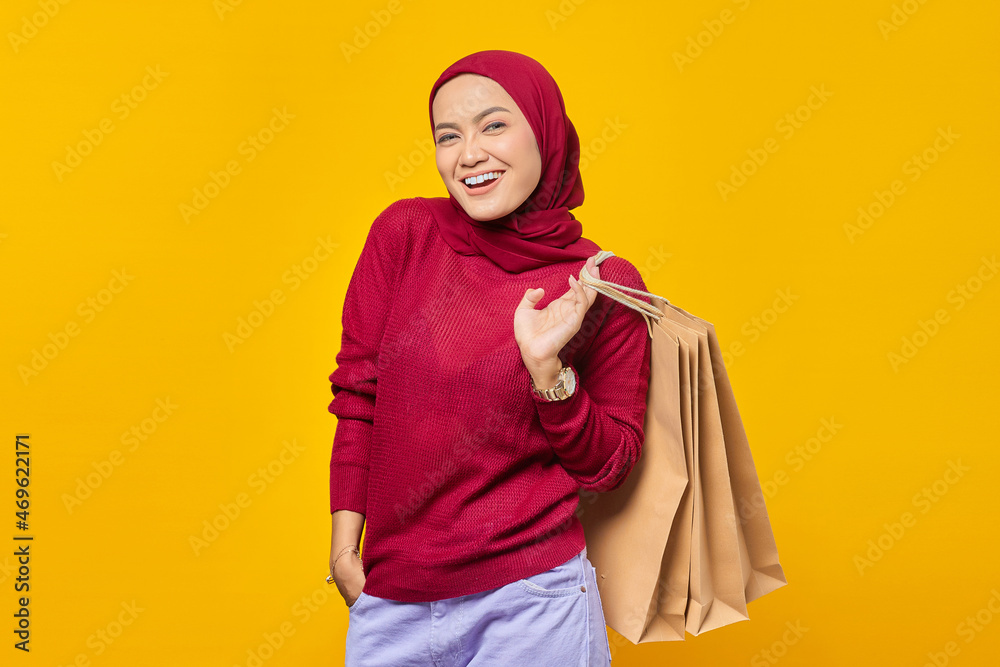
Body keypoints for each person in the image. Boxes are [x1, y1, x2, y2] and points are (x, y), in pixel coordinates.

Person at [327, 49, 652, 666]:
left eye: (493, 125)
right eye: (447, 135)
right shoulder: (404, 235)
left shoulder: (602, 283)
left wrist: (549, 373)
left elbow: (611, 466)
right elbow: (358, 399)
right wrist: (346, 553)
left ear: (545, 132)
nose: (468, 154)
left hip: (533, 605)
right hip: (392, 603)